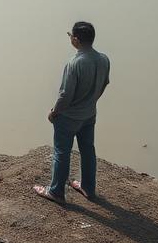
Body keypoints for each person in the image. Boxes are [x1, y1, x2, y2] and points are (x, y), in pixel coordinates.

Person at [33, 21, 110, 204]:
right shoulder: (104, 59)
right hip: (89, 114)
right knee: (88, 150)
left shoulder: (75, 63)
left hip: (69, 117)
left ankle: (56, 191)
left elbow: (65, 94)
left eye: (70, 36)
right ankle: (88, 188)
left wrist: (54, 112)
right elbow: (104, 84)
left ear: (75, 39)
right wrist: (91, 102)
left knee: (61, 152)